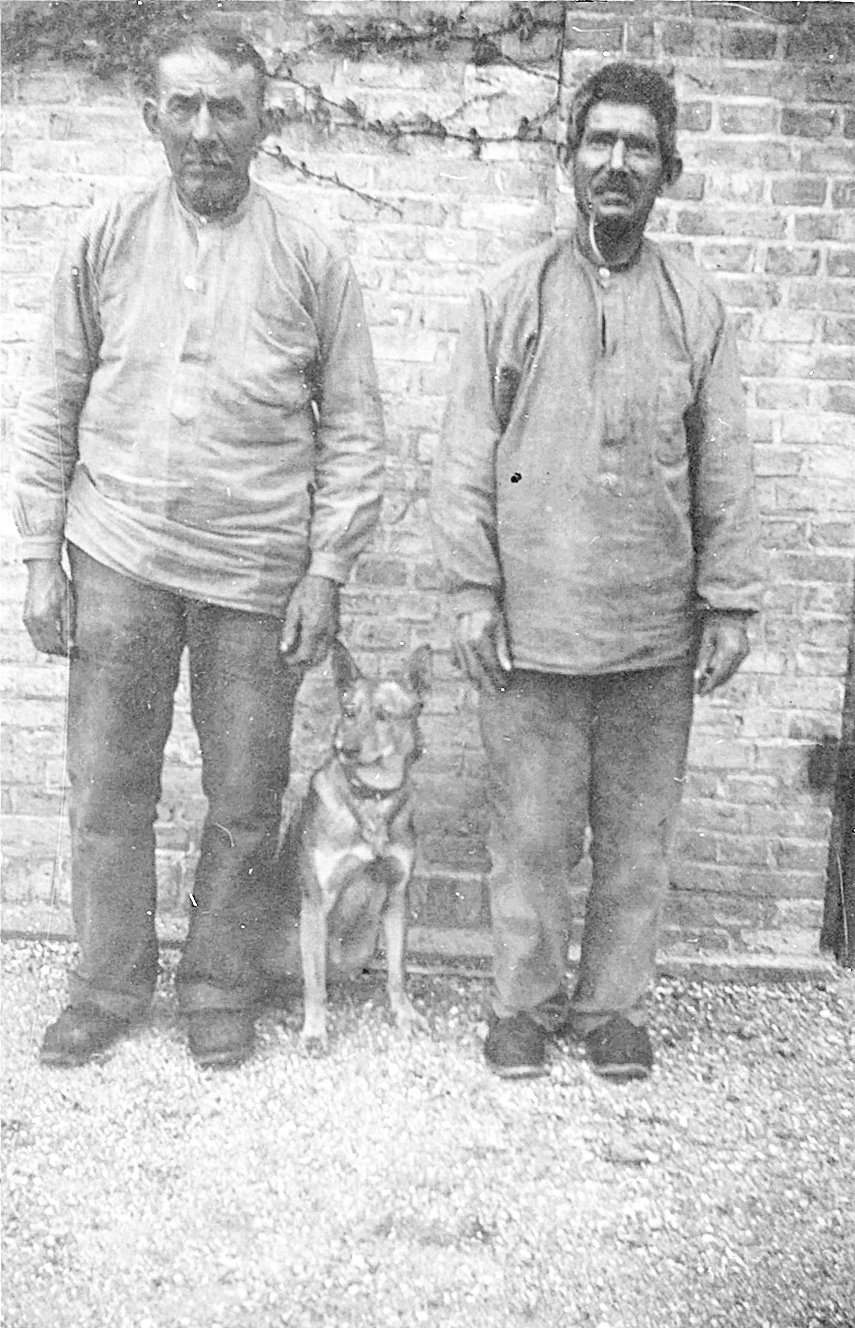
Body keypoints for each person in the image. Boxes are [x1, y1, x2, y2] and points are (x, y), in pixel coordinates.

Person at [12, 21, 385, 1069]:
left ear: (266, 122)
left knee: (244, 799)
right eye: (185, 106)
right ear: (152, 118)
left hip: (254, 574)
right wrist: (43, 554)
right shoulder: (105, 235)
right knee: (107, 784)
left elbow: (355, 425)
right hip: (118, 555)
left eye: (228, 108)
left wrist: (326, 567)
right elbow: (49, 402)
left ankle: (219, 987)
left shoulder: (312, 254)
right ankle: (106, 983)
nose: (206, 130)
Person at [431, 62, 763, 1081]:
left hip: (654, 629)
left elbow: (728, 461)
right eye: (599, 143)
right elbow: (462, 454)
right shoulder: (511, 295)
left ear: (669, 169)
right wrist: (472, 589)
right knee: (530, 834)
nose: (617, 163)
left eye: (639, 148)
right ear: (571, 161)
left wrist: (730, 600)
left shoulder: (695, 306)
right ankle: (522, 1005)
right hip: (534, 625)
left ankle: (615, 1005)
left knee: (634, 839)